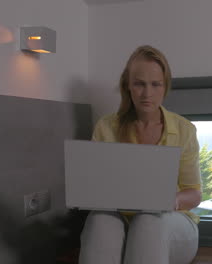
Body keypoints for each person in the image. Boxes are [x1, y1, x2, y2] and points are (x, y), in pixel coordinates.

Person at [79, 45, 202, 264]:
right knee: (100, 220)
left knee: (148, 220)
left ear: (165, 86)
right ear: (128, 85)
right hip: (120, 220)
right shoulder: (106, 127)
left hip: (172, 224)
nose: (147, 93)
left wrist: (168, 200)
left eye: (156, 84)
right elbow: (93, 186)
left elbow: (194, 194)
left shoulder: (184, 130)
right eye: (139, 84)